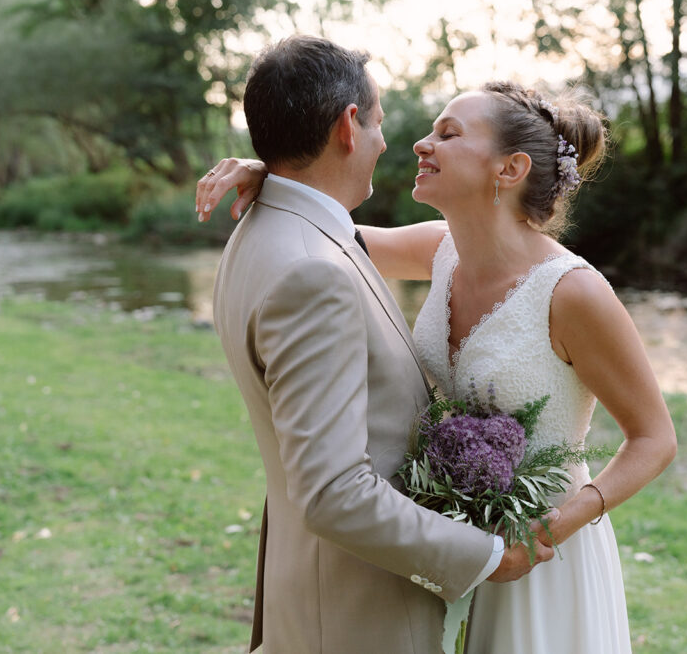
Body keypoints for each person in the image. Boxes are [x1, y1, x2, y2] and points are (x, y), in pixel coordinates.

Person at [203, 36, 554, 654]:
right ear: (347, 126)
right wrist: (485, 556)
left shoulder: (265, 231)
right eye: (380, 123)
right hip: (354, 616)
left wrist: (269, 167)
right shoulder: (312, 272)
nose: (390, 143)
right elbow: (335, 493)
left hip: (316, 599)